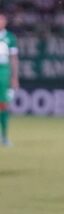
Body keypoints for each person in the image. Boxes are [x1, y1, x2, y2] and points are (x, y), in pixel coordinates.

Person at [0, 13, 18, 147]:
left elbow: (14, 58)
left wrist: (14, 77)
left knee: (3, 104)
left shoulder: (10, 38)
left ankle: (4, 136)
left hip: (3, 72)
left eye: (1, 20)